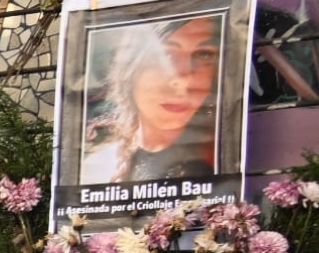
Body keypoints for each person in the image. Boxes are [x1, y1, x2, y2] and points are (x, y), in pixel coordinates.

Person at [79, 14, 224, 186]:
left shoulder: (226, 160)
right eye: (165, 55)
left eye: (204, 55)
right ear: (131, 70)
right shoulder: (96, 170)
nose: (183, 80)